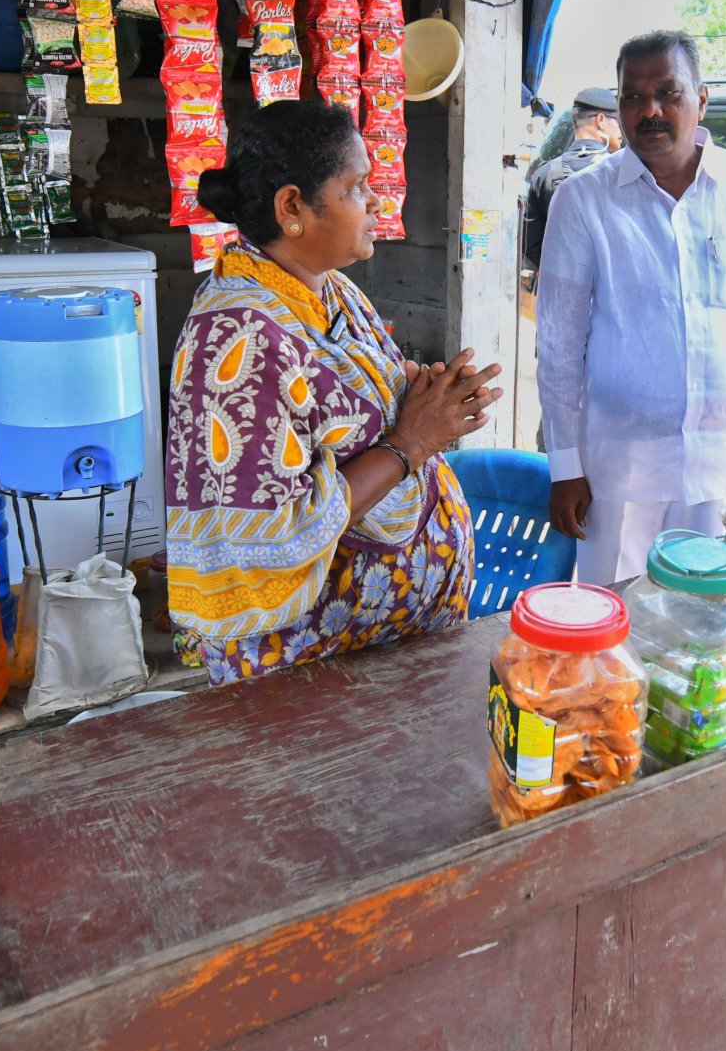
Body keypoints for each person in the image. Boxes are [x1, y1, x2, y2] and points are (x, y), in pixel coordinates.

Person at [164, 100, 503, 685]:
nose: (378, 201)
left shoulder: (332, 290)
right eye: (358, 186)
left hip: (386, 653)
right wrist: (412, 441)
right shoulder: (239, 338)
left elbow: (351, 412)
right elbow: (266, 538)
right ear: (292, 206)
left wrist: (425, 394)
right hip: (308, 678)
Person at [537, 31, 726, 586]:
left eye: (668, 93)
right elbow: (559, 342)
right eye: (632, 97)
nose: (650, 111)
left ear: (702, 98)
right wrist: (566, 467)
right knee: (616, 622)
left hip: (722, 460)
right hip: (621, 465)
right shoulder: (584, 199)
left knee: (706, 624)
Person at [521, 87, 621, 274]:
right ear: (601, 120)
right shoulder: (619, 171)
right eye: (618, 121)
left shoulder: (545, 173)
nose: (621, 130)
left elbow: (529, 244)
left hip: (563, 289)